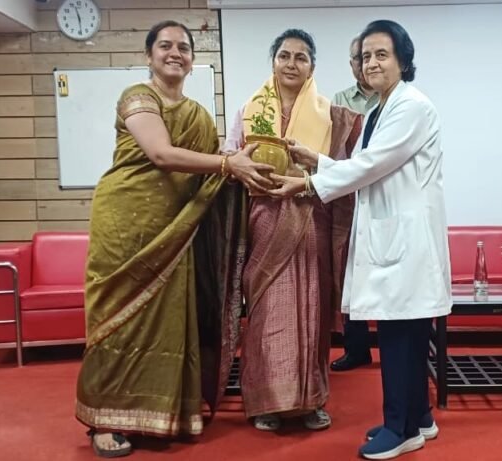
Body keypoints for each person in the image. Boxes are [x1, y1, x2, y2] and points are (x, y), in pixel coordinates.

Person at [74, 20, 273, 458]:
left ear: (192, 59)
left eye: (183, 47)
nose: (174, 53)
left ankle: (169, 413)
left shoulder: (199, 115)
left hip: (178, 230)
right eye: (165, 45)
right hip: (126, 226)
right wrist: (228, 165)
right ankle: (107, 419)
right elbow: (161, 154)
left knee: (171, 321)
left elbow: (210, 171)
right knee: (119, 319)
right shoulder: (138, 98)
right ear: (149, 55)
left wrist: (245, 169)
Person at [270, 20, 450, 460]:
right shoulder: (377, 112)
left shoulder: (412, 106)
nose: (371, 63)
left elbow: (371, 166)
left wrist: (307, 183)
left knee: (400, 334)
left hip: (406, 241)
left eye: (381, 55)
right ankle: (420, 418)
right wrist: (317, 160)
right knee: (405, 331)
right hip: (393, 238)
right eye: (365, 56)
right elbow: (366, 164)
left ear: (403, 60)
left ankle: (400, 428)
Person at [223, 29, 362, 432]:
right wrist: (241, 168)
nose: (291, 63)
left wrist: (310, 171)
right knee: (268, 310)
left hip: (311, 217)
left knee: (311, 309)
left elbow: (346, 170)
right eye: (284, 55)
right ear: (273, 61)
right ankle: (266, 403)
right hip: (265, 220)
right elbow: (229, 157)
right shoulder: (249, 109)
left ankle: (311, 400)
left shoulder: (331, 116)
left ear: (312, 67)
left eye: (301, 57)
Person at [329, 35, 379, 373]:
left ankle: (396, 344)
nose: (366, 64)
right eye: (359, 58)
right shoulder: (339, 101)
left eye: (372, 56)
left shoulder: (393, 99)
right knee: (350, 271)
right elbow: (337, 150)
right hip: (349, 198)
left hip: (384, 191)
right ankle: (357, 348)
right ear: (351, 64)